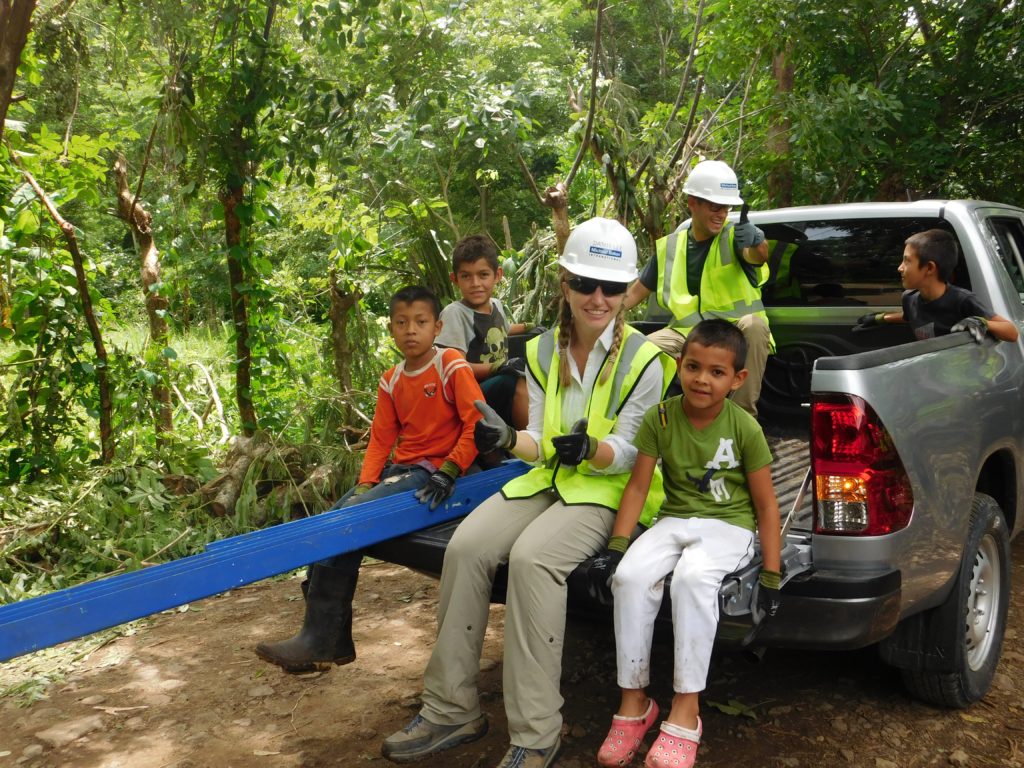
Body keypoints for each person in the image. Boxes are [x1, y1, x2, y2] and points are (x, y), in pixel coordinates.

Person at [381, 218, 675, 768]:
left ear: (626, 291)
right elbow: (538, 438)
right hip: (547, 476)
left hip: (607, 490)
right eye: (586, 283)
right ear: (565, 282)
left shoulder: (648, 361)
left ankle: (537, 732)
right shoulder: (541, 352)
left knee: (534, 560)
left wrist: (592, 450)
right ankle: (450, 708)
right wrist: (510, 438)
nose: (598, 297)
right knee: (466, 548)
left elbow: (634, 451)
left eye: (611, 286)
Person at [254, 285, 483, 674]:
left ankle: (322, 639)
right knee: (332, 519)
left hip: (435, 475)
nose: (411, 330)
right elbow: (380, 439)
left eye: (421, 322)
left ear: (437, 326)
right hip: (402, 472)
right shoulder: (391, 379)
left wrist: (451, 469)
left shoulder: (451, 367)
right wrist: (364, 484)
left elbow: (477, 423)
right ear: (391, 329)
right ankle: (324, 635)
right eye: (401, 323)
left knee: (351, 522)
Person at [585, 318, 782, 768]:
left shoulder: (744, 429)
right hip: (674, 518)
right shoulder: (661, 417)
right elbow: (637, 488)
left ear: (738, 379)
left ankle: (685, 710)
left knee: (692, 581)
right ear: (679, 365)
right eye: (693, 367)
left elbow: (767, 505)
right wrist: (616, 548)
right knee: (631, 577)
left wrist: (771, 574)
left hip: (729, 525)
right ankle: (634, 701)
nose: (702, 380)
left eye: (717, 372)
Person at [623, 159, 772, 416]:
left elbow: (756, 256)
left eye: (725, 207)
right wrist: (598, 313)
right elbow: (635, 293)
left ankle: (740, 419)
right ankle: (651, 421)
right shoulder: (670, 246)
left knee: (756, 325)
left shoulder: (735, 237)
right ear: (693, 203)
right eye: (715, 206)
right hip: (688, 332)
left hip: (733, 330)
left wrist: (758, 241)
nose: (722, 214)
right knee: (641, 349)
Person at [435, 233, 533, 430]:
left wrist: (531, 327)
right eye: (466, 276)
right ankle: (530, 445)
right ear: (455, 279)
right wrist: (497, 367)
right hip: (467, 397)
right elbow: (454, 368)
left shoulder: (495, 305)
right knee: (516, 380)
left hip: (493, 387)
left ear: (497, 275)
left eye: (483, 275)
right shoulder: (455, 314)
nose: (475, 283)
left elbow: (503, 330)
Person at [853, 229, 1019, 343]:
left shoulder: (961, 300)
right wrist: (880, 318)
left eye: (907, 261)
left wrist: (982, 322)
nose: (900, 268)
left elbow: (1011, 332)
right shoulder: (910, 299)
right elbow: (907, 316)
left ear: (930, 268)